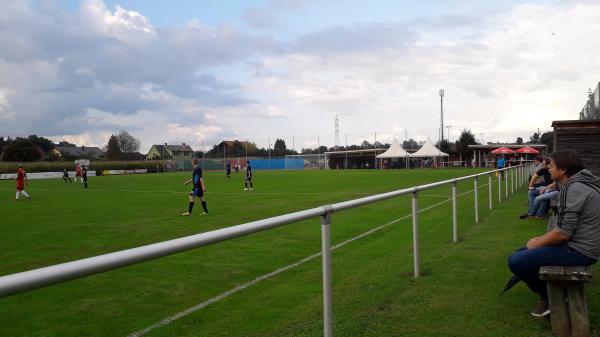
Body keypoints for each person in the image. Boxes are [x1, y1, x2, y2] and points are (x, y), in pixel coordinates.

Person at [507, 150, 600, 317]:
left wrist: (538, 242)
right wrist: (540, 241)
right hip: (581, 245)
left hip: (581, 251)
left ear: (563, 170)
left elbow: (563, 234)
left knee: (516, 261)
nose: (548, 168)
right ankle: (552, 293)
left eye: (551, 165)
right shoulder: (576, 183)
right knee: (521, 253)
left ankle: (552, 298)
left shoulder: (574, 188)